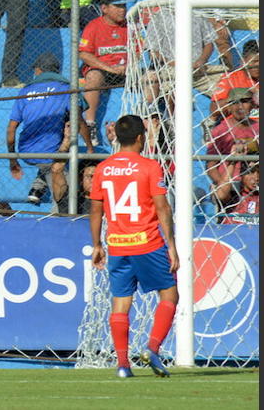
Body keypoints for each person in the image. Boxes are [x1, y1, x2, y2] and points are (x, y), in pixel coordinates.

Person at [88, 114, 179, 379]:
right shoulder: (149, 167)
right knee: (170, 295)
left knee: (120, 304)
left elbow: (96, 209)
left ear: (116, 136)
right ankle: (152, 348)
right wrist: (171, 245)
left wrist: (96, 244)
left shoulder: (103, 168)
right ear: (140, 138)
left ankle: (122, 365)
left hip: (117, 245)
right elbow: (162, 207)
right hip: (147, 242)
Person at [7, 52, 93, 210]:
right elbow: (79, 121)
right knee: (66, 194)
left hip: (25, 150)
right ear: (57, 71)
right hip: (51, 152)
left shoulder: (25, 91)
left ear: (39, 70)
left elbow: (11, 129)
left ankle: (38, 186)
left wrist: (13, 160)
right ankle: (56, 216)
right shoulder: (66, 88)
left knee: (53, 155)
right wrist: (89, 147)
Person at [142, 0, 223, 110]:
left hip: (199, 69)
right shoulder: (157, 18)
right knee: (176, 95)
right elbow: (153, 52)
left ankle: (212, 124)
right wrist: (177, 64)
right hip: (171, 70)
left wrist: (201, 60)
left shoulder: (197, 13)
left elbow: (209, 42)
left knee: (230, 82)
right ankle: (171, 125)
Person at [79, 0, 128, 140]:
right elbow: (84, 54)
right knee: (93, 77)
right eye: (118, 6)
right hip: (103, 71)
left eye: (124, 5)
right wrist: (109, 68)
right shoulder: (93, 26)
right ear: (104, 8)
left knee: (152, 77)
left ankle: (152, 121)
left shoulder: (131, 25)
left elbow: (140, 51)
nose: (122, 10)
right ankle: (90, 124)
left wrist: (128, 67)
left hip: (127, 70)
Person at [206, 87, 259, 191]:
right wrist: (223, 184)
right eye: (235, 102)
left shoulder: (258, 127)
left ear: (252, 105)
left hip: (255, 182)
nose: (239, 106)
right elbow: (211, 166)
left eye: (244, 101)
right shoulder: (220, 131)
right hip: (229, 182)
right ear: (228, 107)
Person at [210, 40, 259, 123]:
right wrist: (242, 94)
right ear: (243, 61)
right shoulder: (231, 78)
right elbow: (214, 110)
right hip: (237, 127)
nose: (258, 66)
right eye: (254, 62)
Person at [215, 160, 259, 224]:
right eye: (251, 172)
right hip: (230, 232)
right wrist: (233, 162)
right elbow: (220, 195)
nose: (256, 178)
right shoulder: (233, 194)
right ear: (242, 174)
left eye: (259, 173)